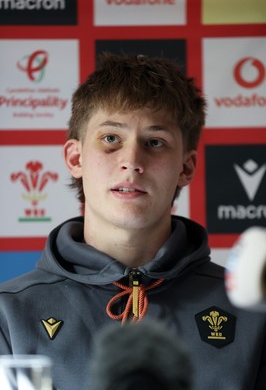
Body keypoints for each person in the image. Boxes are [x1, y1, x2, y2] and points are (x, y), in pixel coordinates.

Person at [0, 53, 265, 390]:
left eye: (155, 142)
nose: (132, 161)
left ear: (185, 168)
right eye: (111, 139)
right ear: (75, 157)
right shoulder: (9, 313)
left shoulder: (253, 314)